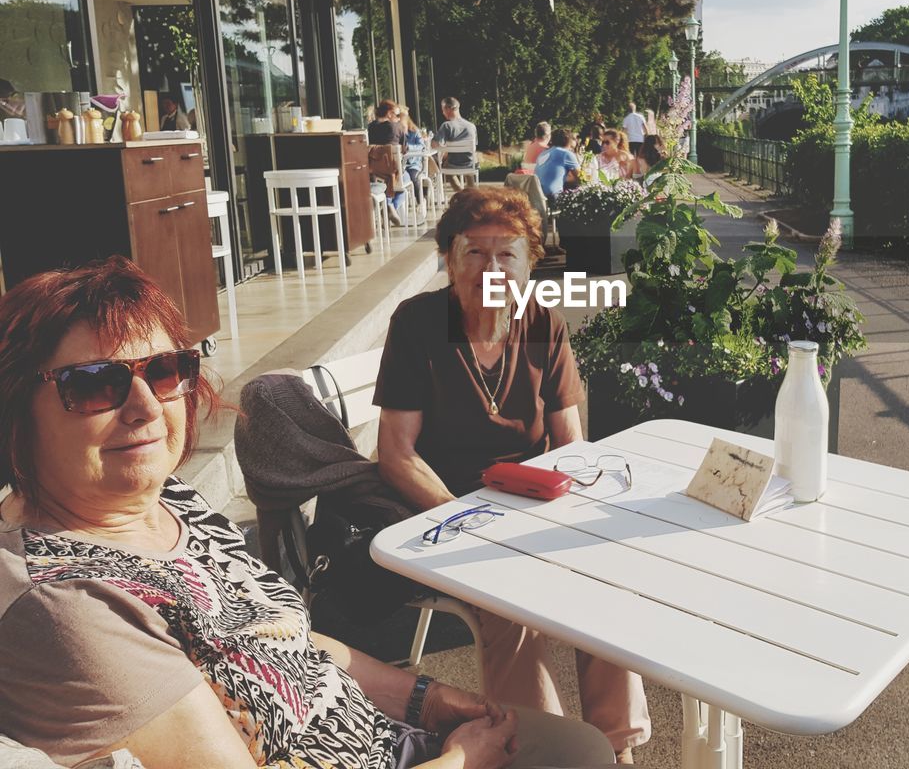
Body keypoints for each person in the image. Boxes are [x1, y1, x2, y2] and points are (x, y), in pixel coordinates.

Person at [0, 257, 617, 769]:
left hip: (383, 739)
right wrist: (459, 761)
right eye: (93, 385)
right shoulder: (68, 603)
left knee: (579, 746)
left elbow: (280, 639)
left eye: (165, 371)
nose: (143, 408)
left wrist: (425, 698)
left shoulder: (167, 500)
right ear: (16, 414)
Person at [373, 190, 651, 762]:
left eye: (508, 255)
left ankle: (619, 750)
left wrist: (574, 523)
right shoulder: (419, 323)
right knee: (509, 603)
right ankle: (540, 751)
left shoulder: (543, 323)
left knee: (607, 578)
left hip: (529, 506)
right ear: (449, 259)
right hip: (444, 513)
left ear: (530, 264)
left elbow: (571, 446)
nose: (491, 269)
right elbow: (397, 454)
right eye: (475, 252)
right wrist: (467, 519)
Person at [437, 97, 478, 192]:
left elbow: (437, 144)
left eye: (443, 110)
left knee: (445, 168)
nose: (443, 113)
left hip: (453, 164)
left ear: (448, 109)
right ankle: (471, 195)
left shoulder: (446, 125)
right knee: (470, 164)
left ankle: (461, 193)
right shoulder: (471, 126)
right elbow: (474, 146)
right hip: (470, 163)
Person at [534, 128, 581, 200]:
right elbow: (581, 178)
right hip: (553, 197)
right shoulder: (566, 154)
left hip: (537, 196)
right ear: (568, 141)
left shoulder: (543, 153)